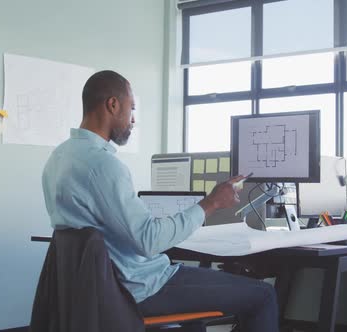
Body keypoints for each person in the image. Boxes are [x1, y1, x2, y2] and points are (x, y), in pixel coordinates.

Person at [42, 70, 279, 332]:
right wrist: (211, 203)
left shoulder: (59, 158)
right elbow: (149, 240)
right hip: (140, 287)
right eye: (131, 109)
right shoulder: (103, 165)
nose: (132, 120)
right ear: (113, 105)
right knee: (263, 295)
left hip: (99, 288)